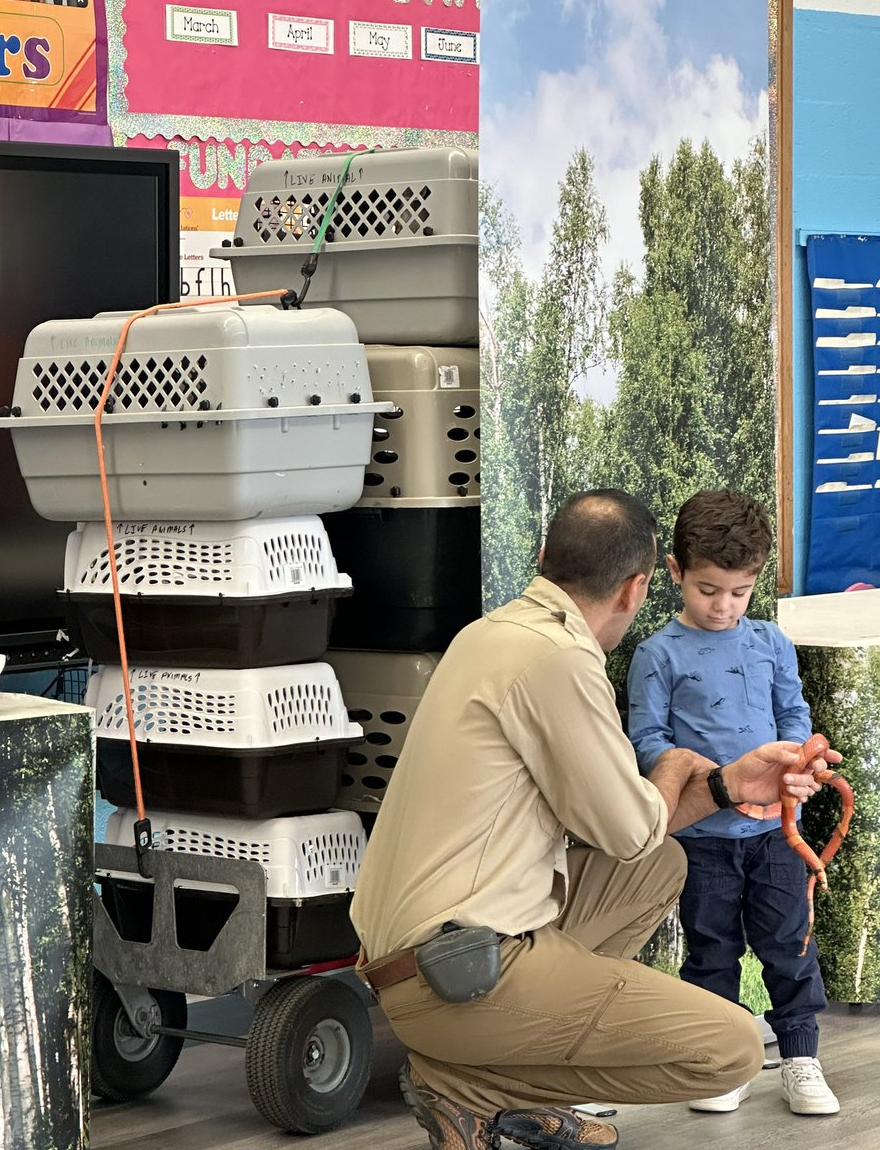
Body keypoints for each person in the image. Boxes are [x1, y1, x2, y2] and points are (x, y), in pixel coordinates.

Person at [350, 489, 840, 1150]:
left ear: (544, 557)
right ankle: (475, 1086)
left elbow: (636, 837)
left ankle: (487, 1075)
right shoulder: (561, 659)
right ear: (639, 587)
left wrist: (728, 785)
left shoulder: (486, 634)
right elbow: (630, 828)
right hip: (456, 970)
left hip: (409, 957)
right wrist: (674, 769)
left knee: (659, 865)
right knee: (731, 1051)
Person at [628, 488, 839, 1117]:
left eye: (739, 592)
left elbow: (794, 716)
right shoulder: (656, 654)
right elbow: (647, 743)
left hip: (778, 833)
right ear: (674, 571)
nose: (723, 606)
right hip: (700, 839)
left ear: (757, 582)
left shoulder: (771, 642)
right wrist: (715, 778)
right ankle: (725, 1063)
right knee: (711, 951)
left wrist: (804, 763)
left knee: (790, 944)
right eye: (707, 590)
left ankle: (800, 1058)